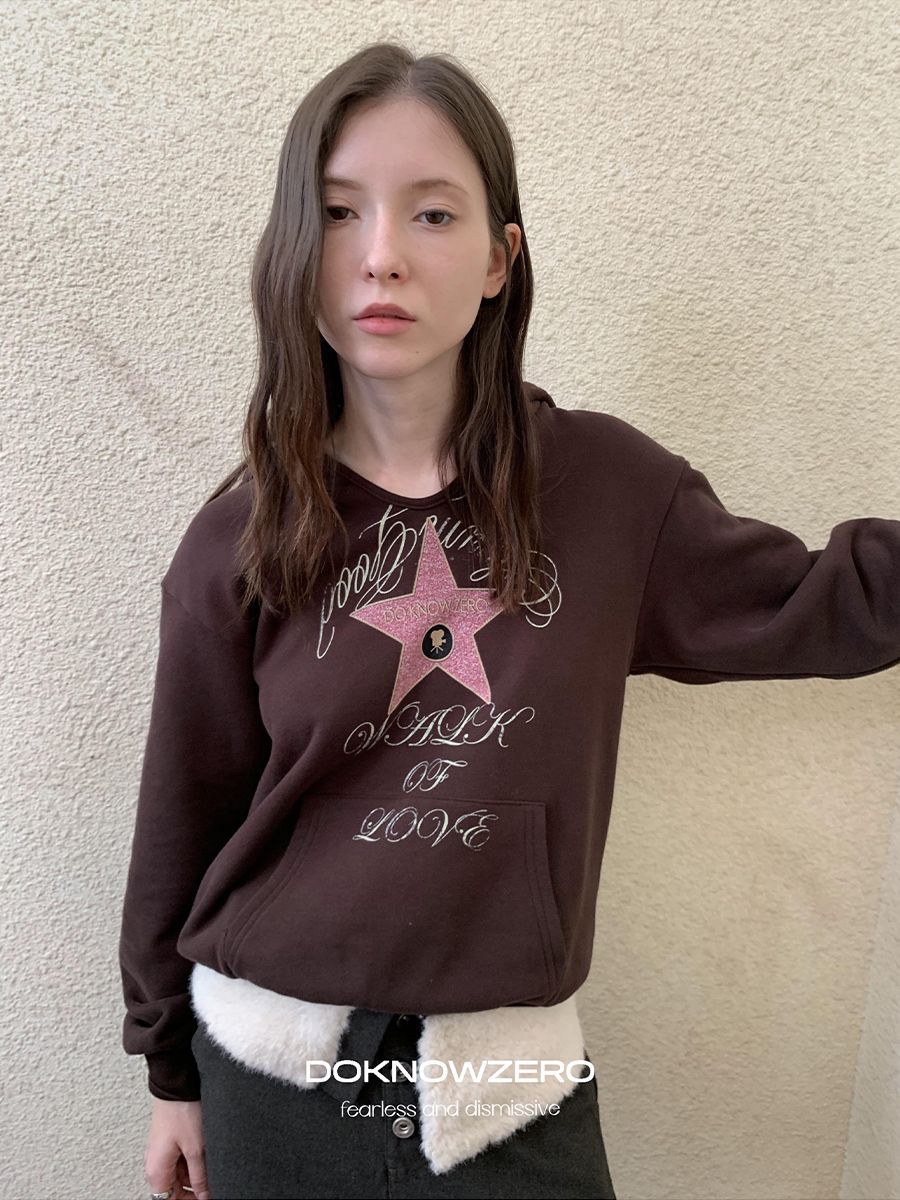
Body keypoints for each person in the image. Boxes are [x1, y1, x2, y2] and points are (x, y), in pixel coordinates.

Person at [118, 40, 900, 1200]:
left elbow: (821, 602)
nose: (381, 253)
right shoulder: (242, 537)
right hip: (271, 1077)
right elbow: (182, 816)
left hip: (507, 1091)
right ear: (293, 249)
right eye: (338, 212)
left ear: (499, 258)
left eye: (433, 213)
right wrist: (169, 1072)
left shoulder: (611, 497)